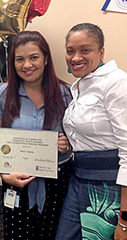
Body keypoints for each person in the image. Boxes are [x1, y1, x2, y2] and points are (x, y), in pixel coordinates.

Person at [0, 31, 73, 240]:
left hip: (57, 181)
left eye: (33, 57)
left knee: (53, 235)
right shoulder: (2, 94)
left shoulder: (66, 93)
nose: (27, 65)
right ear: (13, 63)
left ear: (45, 59)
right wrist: (5, 174)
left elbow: (76, 137)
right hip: (16, 180)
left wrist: (68, 144)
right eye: (19, 59)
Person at [55, 23, 127, 240]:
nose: (76, 57)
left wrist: (124, 219)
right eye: (70, 51)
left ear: (101, 52)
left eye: (85, 50)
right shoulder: (78, 86)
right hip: (79, 180)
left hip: (109, 188)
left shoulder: (116, 83)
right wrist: (70, 143)